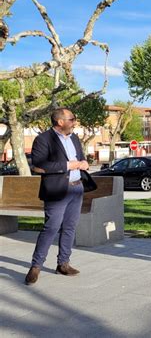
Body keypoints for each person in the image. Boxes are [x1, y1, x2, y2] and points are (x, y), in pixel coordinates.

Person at [25, 108, 89, 285]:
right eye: (72, 118)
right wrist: (69, 165)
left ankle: (63, 264)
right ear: (60, 121)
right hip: (56, 191)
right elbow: (39, 165)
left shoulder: (75, 138)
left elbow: (80, 158)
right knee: (51, 228)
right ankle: (36, 266)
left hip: (77, 189)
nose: (75, 122)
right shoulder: (43, 139)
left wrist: (83, 163)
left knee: (70, 227)